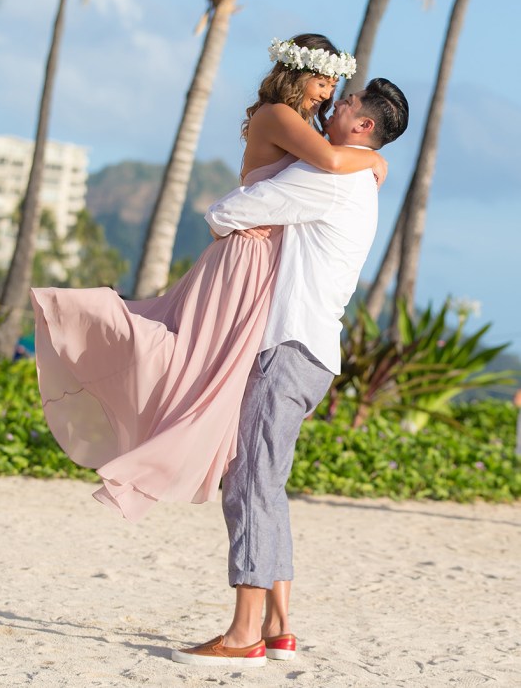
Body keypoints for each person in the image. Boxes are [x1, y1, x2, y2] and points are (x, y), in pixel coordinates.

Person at [30, 34, 386, 523]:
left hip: (268, 260)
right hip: (248, 253)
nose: (327, 93)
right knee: (195, 357)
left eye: (332, 86)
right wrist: (374, 158)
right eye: (323, 82)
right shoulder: (276, 116)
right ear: (300, 73)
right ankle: (87, 325)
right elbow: (329, 162)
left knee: (215, 368)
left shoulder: (298, 121)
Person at [170, 73, 409, 669]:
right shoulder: (358, 177)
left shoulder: (330, 176)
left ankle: (244, 632)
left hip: (287, 347)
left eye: (344, 101)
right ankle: (278, 628)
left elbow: (227, 212)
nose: (331, 103)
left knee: (249, 483)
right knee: (266, 484)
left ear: (363, 126)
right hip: (310, 352)